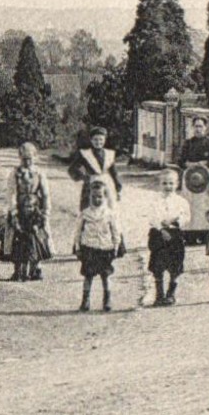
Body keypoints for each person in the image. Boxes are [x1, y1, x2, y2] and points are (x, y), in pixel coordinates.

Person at [0, 142, 52, 281]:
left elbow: (45, 194)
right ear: (20, 158)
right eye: (24, 158)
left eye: (30, 158)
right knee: (17, 238)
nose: (27, 161)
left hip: (35, 209)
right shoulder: (15, 173)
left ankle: (36, 268)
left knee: (38, 237)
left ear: (35, 157)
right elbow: (11, 193)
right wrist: (14, 211)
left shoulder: (39, 173)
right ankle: (18, 270)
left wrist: (45, 212)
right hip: (20, 209)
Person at [73, 179, 122, 312]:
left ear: (105, 197)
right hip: (89, 248)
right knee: (88, 276)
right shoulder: (85, 214)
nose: (96, 199)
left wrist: (116, 246)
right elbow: (77, 232)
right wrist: (77, 247)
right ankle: (85, 300)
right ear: (89, 196)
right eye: (93, 196)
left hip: (105, 248)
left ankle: (107, 300)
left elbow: (116, 231)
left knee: (105, 276)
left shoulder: (110, 214)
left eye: (100, 196)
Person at [148, 168, 189, 306]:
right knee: (158, 265)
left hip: (175, 235)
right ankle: (159, 295)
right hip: (158, 235)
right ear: (159, 184)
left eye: (171, 183)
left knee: (175, 264)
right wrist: (160, 227)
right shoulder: (154, 200)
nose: (168, 187)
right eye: (164, 183)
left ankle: (171, 294)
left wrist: (175, 222)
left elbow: (186, 216)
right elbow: (152, 216)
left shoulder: (181, 201)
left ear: (177, 184)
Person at [69, 126, 121, 209]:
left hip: (106, 183)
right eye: (95, 139)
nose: (98, 142)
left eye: (101, 139)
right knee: (88, 207)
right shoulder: (85, 153)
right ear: (91, 140)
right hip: (90, 183)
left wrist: (118, 187)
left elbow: (114, 172)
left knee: (109, 207)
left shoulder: (109, 154)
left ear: (104, 140)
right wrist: (84, 177)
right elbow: (72, 169)